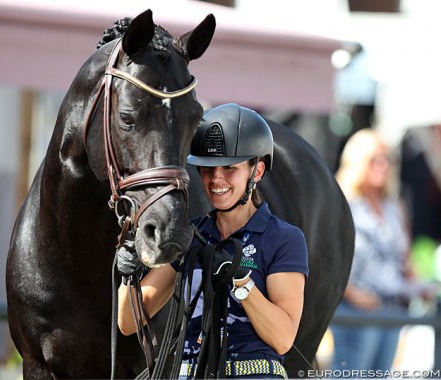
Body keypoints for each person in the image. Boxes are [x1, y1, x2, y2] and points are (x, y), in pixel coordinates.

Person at [116, 103, 309, 379]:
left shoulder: (284, 238)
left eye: (230, 168)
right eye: (207, 168)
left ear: (256, 171)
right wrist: (129, 276)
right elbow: (127, 322)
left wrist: (240, 280)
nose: (216, 178)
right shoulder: (190, 235)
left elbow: (282, 338)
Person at [331, 128, 413, 372]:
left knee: (381, 373)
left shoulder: (395, 204)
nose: (382, 165)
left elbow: (403, 257)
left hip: (392, 307)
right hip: (355, 309)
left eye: (387, 159)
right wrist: (353, 294)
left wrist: (416, 284)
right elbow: (329, 260)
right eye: (374, 159)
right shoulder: (343, 203)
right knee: (352, 373)